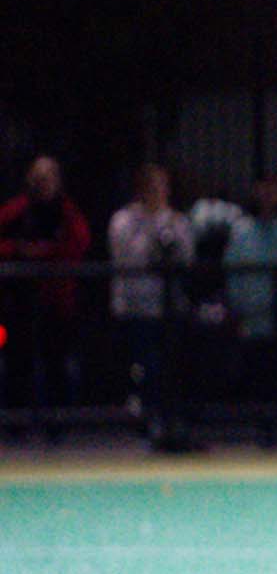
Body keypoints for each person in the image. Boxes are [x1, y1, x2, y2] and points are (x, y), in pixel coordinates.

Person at [0, 156, 91, 442]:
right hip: (18, 304)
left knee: (58, 363)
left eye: (49, 177)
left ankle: (57, 425)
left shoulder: (68, 213)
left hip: (56, 303)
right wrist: (17, 250)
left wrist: (41, 254)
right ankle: (16, 425)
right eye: (38, 177)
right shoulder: (15, 211)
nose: (43, 183)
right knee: (18, 362)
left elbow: (78, 245)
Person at [108, 163, 193, 450]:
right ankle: (145, 425)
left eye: (162, 186)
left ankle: (170, 424)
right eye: (151, 186)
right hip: (136, 308)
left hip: (169, 310)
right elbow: (127, 258)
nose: (157, 192)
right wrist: (152, 243)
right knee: (144, 368)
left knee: (170, 369)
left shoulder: (178, 222)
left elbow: (186, 258)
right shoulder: (123, 220)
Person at [224, 174, 277, 446]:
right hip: (254, 319)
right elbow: (233, 271)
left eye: (275, 189)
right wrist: (239, 307)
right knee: (258, 376)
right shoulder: (242, 229)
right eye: (264, 189)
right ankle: (263, 430)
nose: (269, 194)